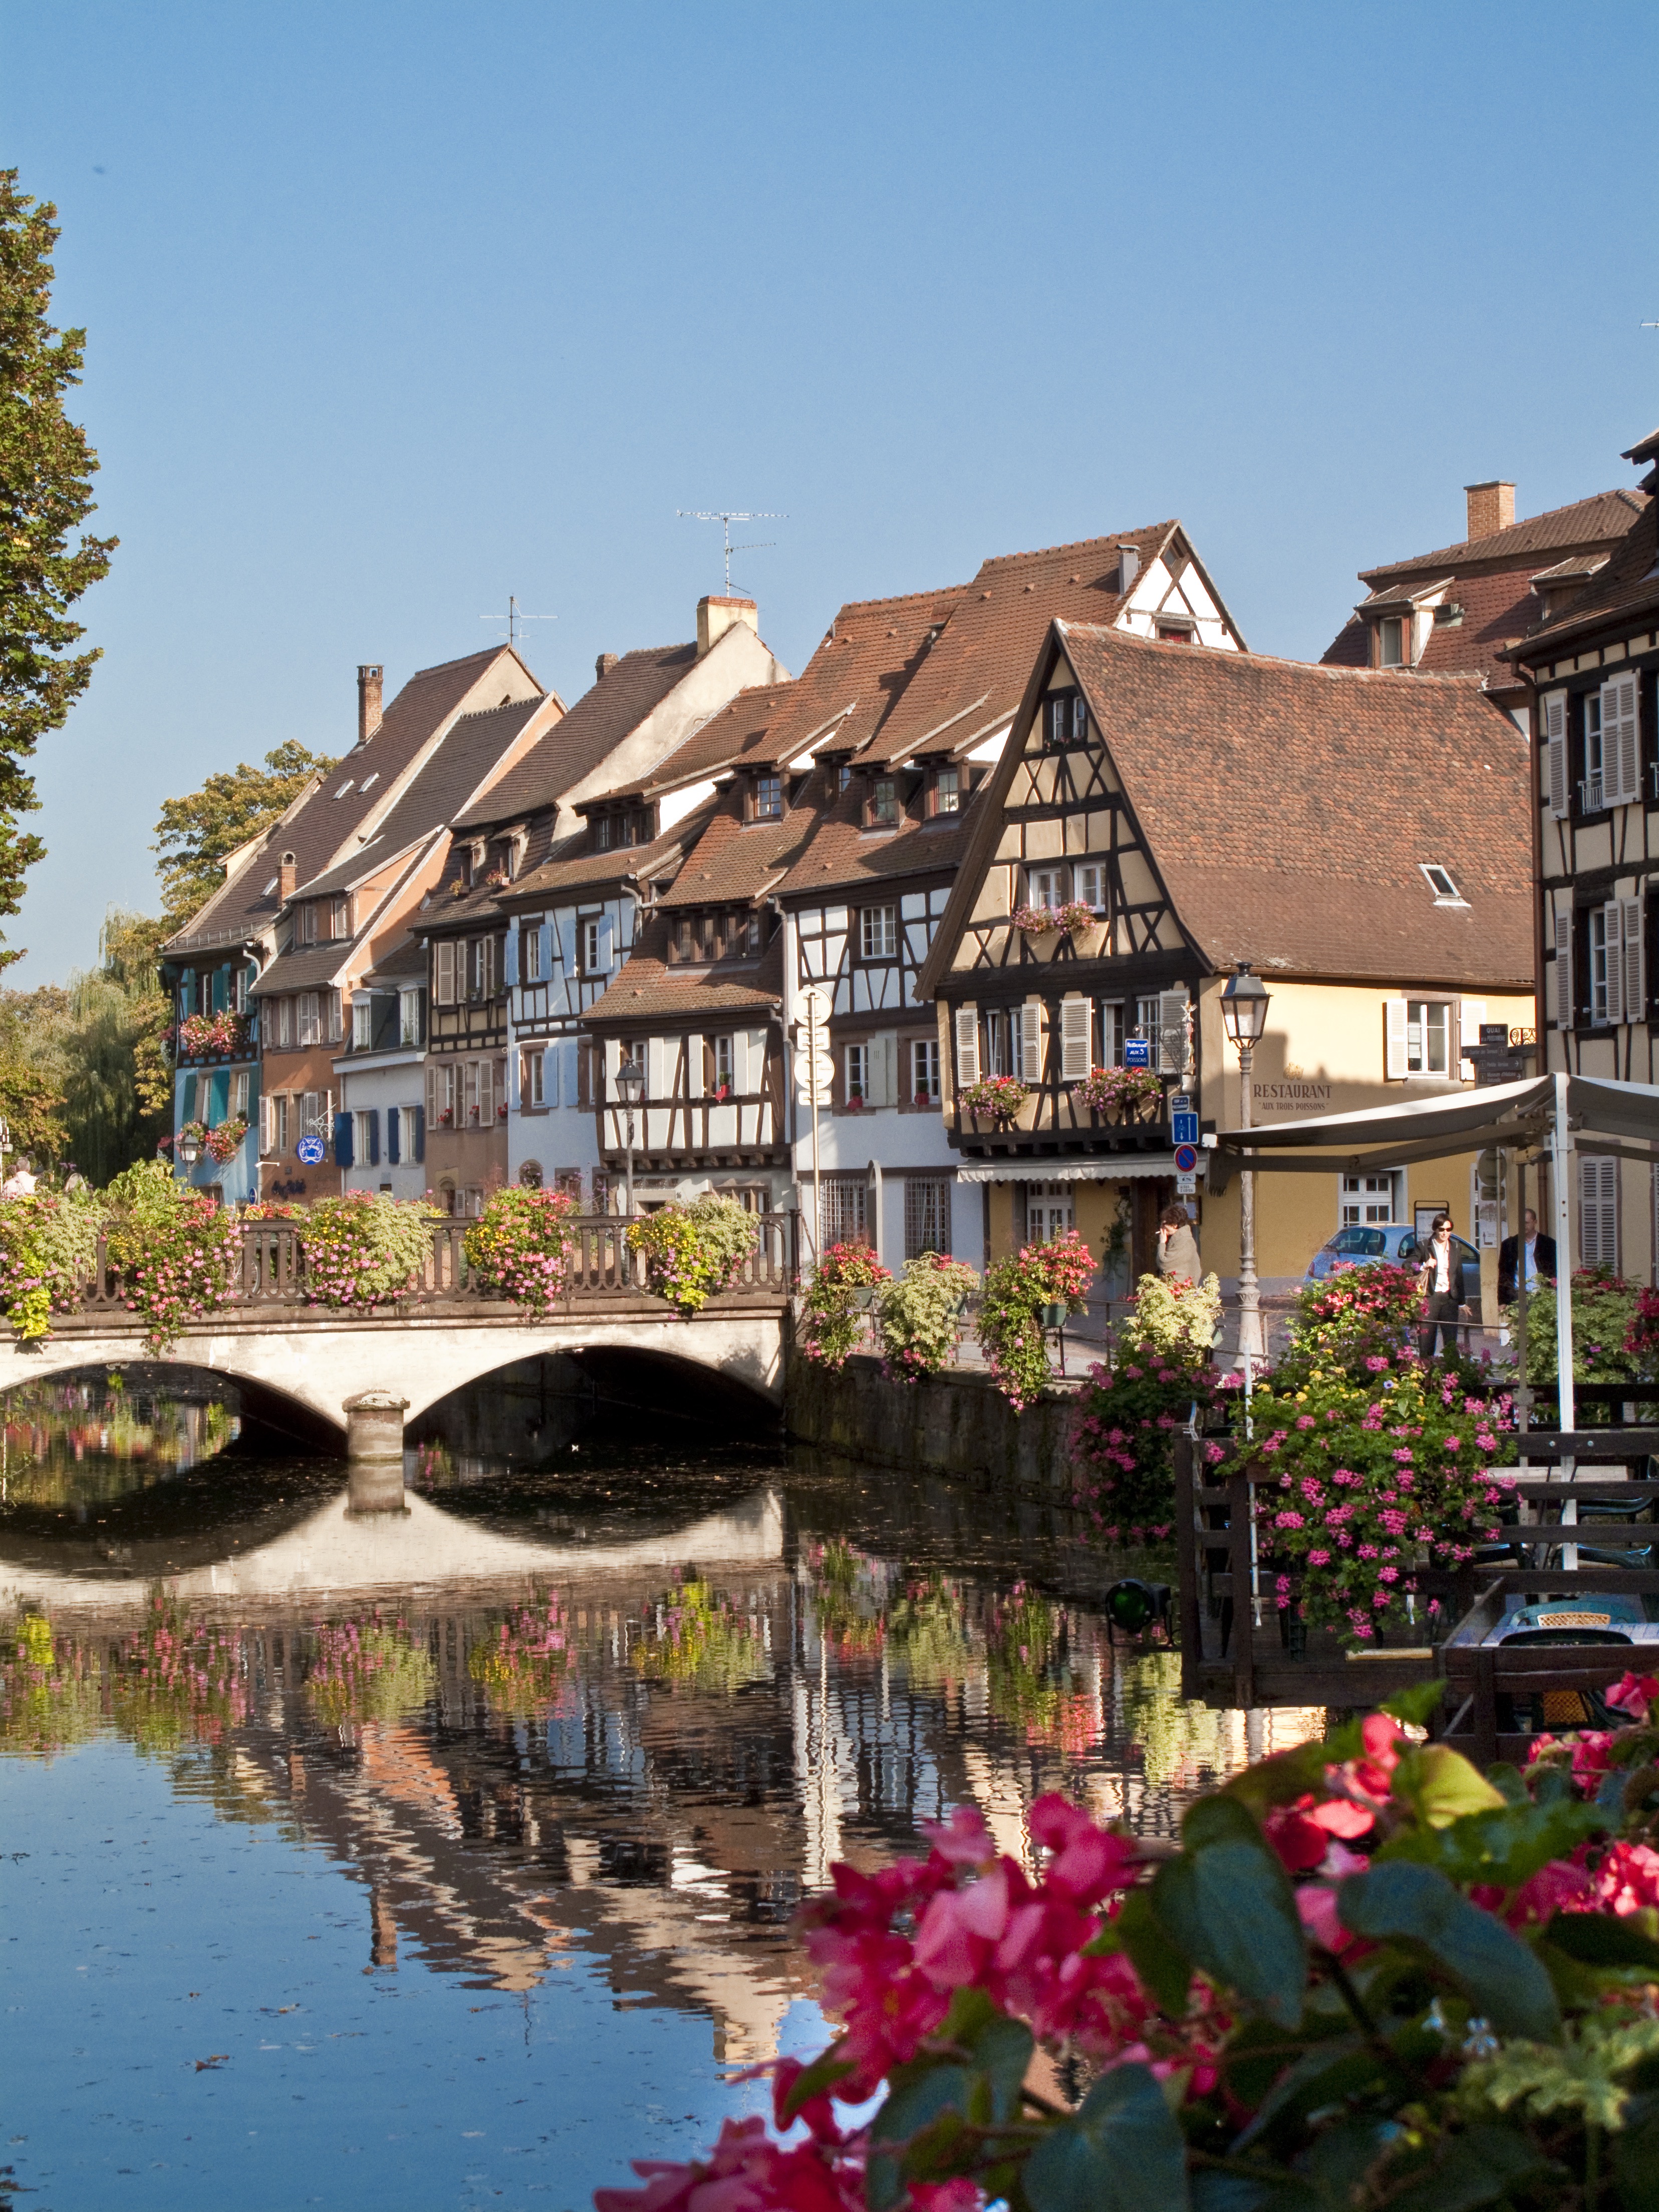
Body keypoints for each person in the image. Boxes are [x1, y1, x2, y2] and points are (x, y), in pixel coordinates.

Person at [1417, 1212, 1470, 1359]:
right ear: (1435, 1229)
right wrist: (1424, 1265)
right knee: (1427, 1340)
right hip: (1430, 1297)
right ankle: (1426, 1368)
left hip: (1449, 1298)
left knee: (1451, 1341)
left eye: (1449, 1229)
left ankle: (1452, 1370)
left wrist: (1462, 1303)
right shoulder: (1424, 1246)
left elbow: (1459, 1275)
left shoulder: (1456, 1247)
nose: (1445, 1233)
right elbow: (1408, 1266)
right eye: (1442, 1229)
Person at [1498, 1208, 1557, 1305]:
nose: (1523, 1226)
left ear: (1535, 1222)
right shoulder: (1509, 1245)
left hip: (1542, 1295)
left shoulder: (1548, 1244)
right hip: (1517, 1295)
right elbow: (1504, 1274)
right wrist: (1502, 1301)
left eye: (1526, 1223)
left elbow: (1554, 1271)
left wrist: (1553, 1292)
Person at [1156, 1203, 1201, 1284]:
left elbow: (1165, 1264)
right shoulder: (1182, 1239)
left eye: (1164, 1224)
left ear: (1174, 1225)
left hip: (1180, 1288)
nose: (1161, 1227)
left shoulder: (1184, 1242)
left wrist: (1162, 1243)